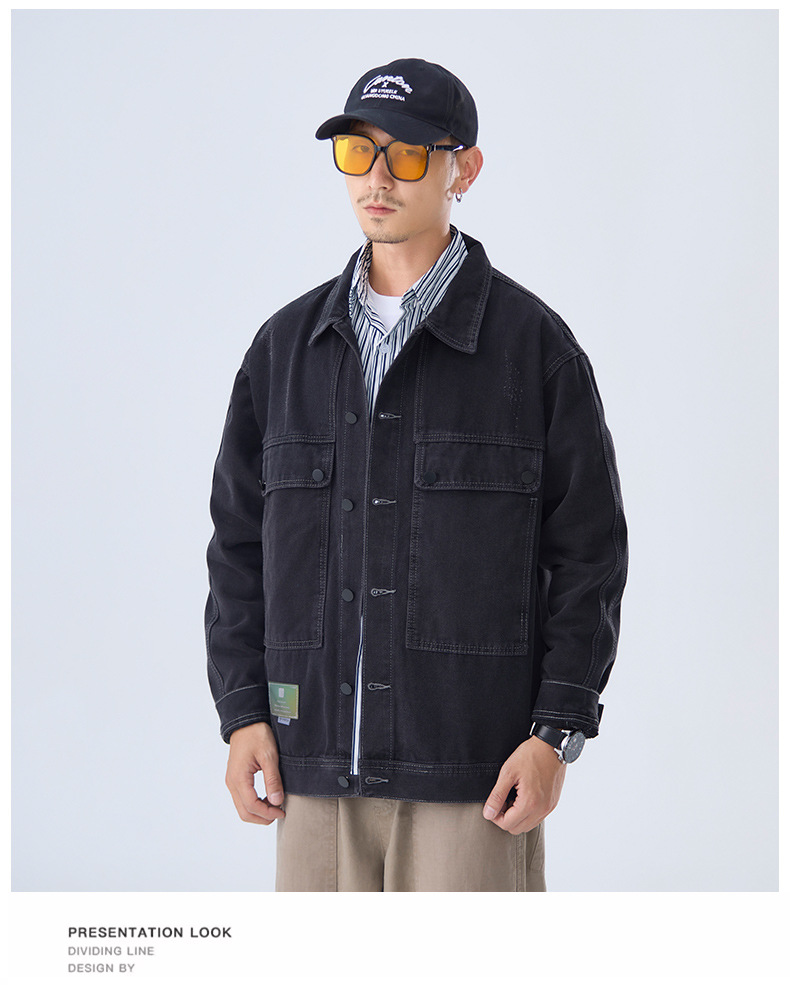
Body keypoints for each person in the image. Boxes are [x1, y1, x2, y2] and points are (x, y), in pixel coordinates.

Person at [205, 58, 628, 892]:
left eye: (404, 155)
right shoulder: (283, 352)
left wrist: (556, 733)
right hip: (308, 769)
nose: (377, 179)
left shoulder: (534, 350)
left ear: (463, 168)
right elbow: (238, 548)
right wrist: (243, 710)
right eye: (357, 152)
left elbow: (590, 554)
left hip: (474, 778)